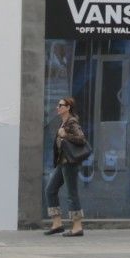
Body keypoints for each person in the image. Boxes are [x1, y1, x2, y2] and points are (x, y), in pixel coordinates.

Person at [44, 97, 88, 238]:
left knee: (71, 194)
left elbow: (81, 139)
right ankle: (57, 224)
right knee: (50, 189)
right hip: (62, 163)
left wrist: (66, 135)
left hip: (70, 163)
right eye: (58, 105)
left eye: (61, 105)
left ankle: (77, 227)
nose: (58, 107)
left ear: (68, 107)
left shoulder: (72, 122)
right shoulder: (63, 122)